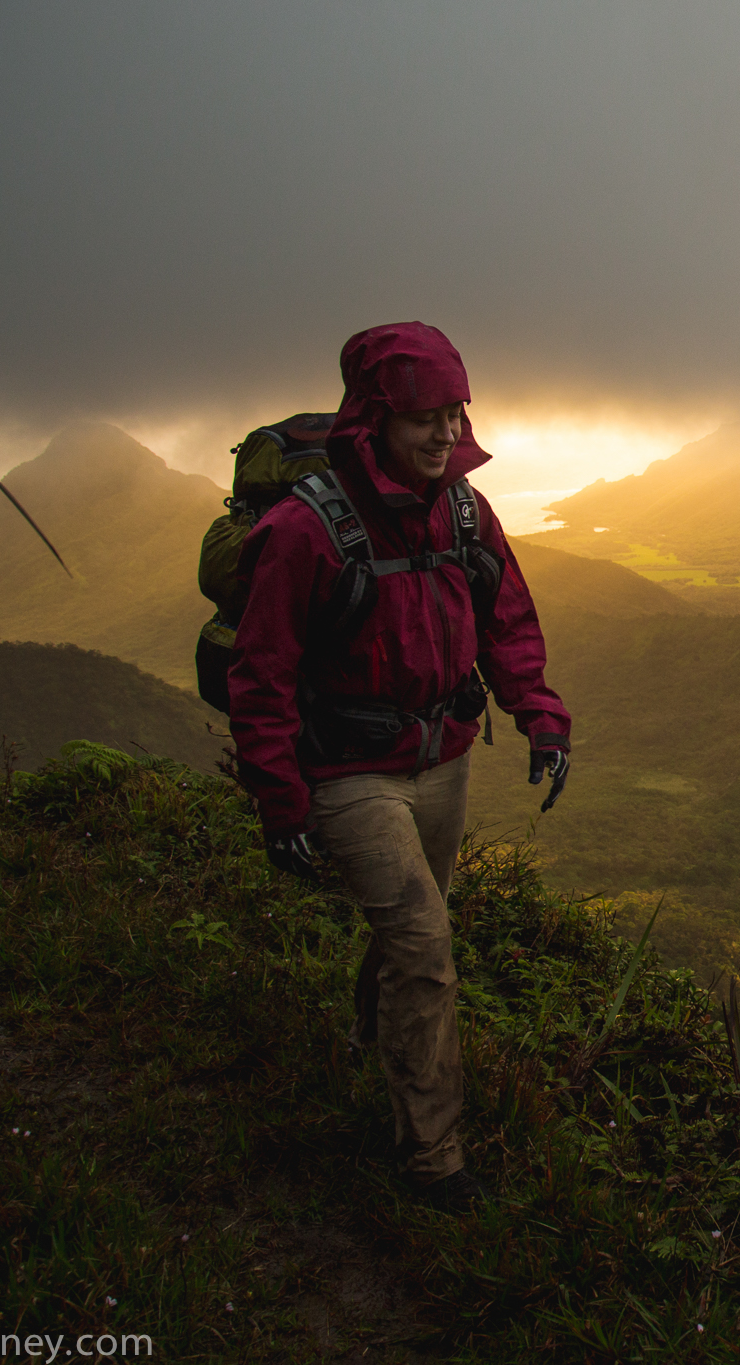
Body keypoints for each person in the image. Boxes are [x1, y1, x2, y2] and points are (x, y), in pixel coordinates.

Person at [228, 321, 571, 1211]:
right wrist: (279, 796)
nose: (444, 435)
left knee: (408, 936)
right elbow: (259, 672)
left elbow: (507, 621)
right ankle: (434, 1159)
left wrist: (539, 716)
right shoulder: (308, 529)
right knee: (424, 943)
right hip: (347, 770)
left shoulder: (464, 510)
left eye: (455, 414)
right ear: (375, 418)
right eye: (424, 417)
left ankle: (371, 1049)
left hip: (442, 756)